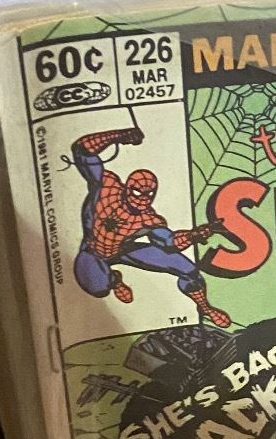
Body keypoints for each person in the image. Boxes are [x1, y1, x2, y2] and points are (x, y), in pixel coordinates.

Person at [69, 124, 228, 324]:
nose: (142, 199)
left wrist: (194, 235)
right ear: (127, 188)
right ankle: (114, 280)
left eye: (148, 195)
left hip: (124, 249)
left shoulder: (148, 218)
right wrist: (119, 136)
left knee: (189, 270)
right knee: (97, 286)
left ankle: (205, 308)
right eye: (137, 193)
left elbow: (169, 242)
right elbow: (82, 149)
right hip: (92, 249)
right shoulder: (106, 186)